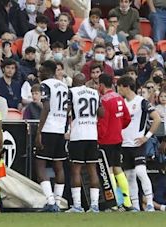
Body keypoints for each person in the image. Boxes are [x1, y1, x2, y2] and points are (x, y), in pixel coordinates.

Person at [117, 75, 161, 212]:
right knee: (129, 176)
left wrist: (146, 137)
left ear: (126, 87)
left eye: (119, 87)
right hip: (124, 145)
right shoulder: (120, 102)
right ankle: (135, 205)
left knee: (141, 172)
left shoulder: (141, 101)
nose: (118, 89)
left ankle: (149, 203)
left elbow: (157, 118)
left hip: (138, 144)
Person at [34, 60, 68, 212]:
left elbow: (46, 107)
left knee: (40, 165)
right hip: (60, 129)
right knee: (58, 166)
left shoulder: (45, 84)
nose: (39, 73)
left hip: (48, 128)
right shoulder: (63, 85)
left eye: (41, 71)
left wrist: (39, 131)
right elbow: (67, 108)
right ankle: (58, 201)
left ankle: (50, 201)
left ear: (47, 71)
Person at [65, 73, 102, 213]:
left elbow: (67, 110)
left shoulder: (72, 92)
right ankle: (94, 205)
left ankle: (77, 205)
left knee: (76, 169)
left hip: (78, 134)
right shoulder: (94, 92)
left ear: (74, 83)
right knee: (92, 169)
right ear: (85, 82)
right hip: (92, 134)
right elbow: (102, 113)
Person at [97, 73, 134, 211]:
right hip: (118, 138)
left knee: (109, 170)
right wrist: (118, 127)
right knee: (118, 168)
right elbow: (127, 118)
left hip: (106, 140)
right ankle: (127, 202)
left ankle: (114, 203)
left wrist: (99, 138)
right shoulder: (119, 97)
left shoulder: (104, 100)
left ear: (101, 85)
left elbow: (103, 123)